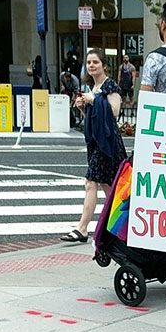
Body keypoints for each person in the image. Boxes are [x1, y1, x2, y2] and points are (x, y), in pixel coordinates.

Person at [60, 48, 127, 243]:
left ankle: (82, 228)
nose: (91, 65)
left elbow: (114, 112)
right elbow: (95, 116)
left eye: (95, 62)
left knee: (91, 182)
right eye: (89, 62)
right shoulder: (92, 88)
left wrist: (94, 100)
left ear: (104, 65)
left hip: (108, 142)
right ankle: (122, 227)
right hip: (98, 142)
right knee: (109, 187)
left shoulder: (109, 85)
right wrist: (83, 108)